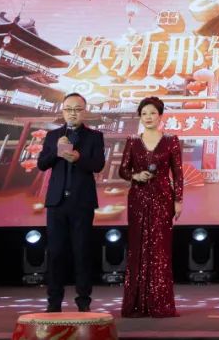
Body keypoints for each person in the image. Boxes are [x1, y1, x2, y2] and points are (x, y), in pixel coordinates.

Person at [36, 92, 106, 312]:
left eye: (77, 109)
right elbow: (42, 164)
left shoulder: (94, 136)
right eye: (68, 109)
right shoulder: (53, 135)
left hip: (82, 202)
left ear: (84, 112)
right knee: (56, 253)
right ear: (63, 111)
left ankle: (83, 302)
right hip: (56, 203)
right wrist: (57, 152)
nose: (72, 113)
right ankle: (54, 302)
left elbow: (98, 165)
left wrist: (79, 158)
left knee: (82, 252)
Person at [119, 96, 184, 318]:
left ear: (160, 116)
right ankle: (136, 304)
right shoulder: (132, 141)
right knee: (137, 247)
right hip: (138, 198)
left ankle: (160, 303)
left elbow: (178, 173)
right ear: (140, 116)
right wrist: (136, 175)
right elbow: (123, 170)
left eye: (153, 113)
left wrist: (178, 200)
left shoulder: (171, 141)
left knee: (160, 249)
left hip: (163, 198)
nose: (148, 117)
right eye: (144, 113)